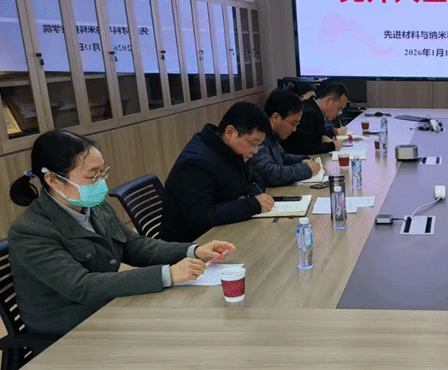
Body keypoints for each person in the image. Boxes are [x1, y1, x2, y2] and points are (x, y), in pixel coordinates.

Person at [7, 130, 234, 336]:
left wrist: (193, 250)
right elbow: (81, 285)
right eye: (92, 176)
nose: (101, 182)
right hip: (66, 327)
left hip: (104, 304)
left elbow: (134, 245)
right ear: (54, 180)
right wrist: (167, 274)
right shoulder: (30, 232)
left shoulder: (96, 206)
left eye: (102, 172)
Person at [162, 102, 275, 243]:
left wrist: (253, 197)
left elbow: (254, 180)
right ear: (230, 133)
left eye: (258, 145)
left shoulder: (230, 150)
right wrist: (253, 204)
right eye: (253, 143)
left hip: (221, 231)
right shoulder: (195, 162)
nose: (255, 151)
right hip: (191, 244)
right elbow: (201, 217)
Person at [251, 89, 322, 187]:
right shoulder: (259, 137)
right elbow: (269, 173)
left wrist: (303, 159)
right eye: (293, 124)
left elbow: (282, 156)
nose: (294, 129)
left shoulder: (273, 135)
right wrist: (305, 169)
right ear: (276, 117)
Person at [282, 82, 348, 155]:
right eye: (339, 109)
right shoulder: (311, 114)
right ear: (329, 101)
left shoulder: (313, 106)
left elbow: (320, 133)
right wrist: (332, 146)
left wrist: (324, 136)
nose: (338, 114)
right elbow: (304, 148)